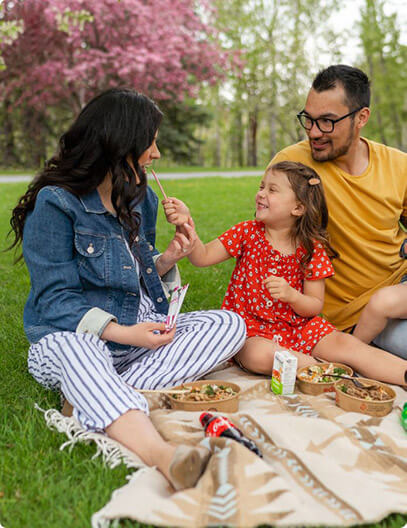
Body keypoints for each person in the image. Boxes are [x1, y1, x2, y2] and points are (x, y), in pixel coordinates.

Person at [9, 88, 246, 490]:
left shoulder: (140, 197)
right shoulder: (55, 203)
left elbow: (139, 274)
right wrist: (121, 332)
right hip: (72, 338)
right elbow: (54, 301)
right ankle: (163, 456)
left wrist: (170, 256)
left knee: (229, 324)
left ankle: (94, 395)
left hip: (137, 336)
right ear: (121, 144)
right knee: (79, 350)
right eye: (149, 141)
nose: (156, 153)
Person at [163, 161, 407, 385]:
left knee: (348, 344)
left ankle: (399, 374)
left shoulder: (311, 248)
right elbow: (201, 257)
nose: (261, 193)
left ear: (298, 208)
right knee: (261, 356)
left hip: (299, 328)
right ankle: (321, 371)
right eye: (261, 186)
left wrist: (292, 295)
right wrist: (186, 225)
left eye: (272, 190)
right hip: (251, 331)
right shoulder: (247, 233)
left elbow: (313, 306)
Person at [269, 65, 407, 359]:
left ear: (361, 117)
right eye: (309, 120)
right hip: (355, 316)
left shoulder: (398, 165)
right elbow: (267, 243)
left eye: (328, 122)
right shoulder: (291, 166)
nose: (314, 132)